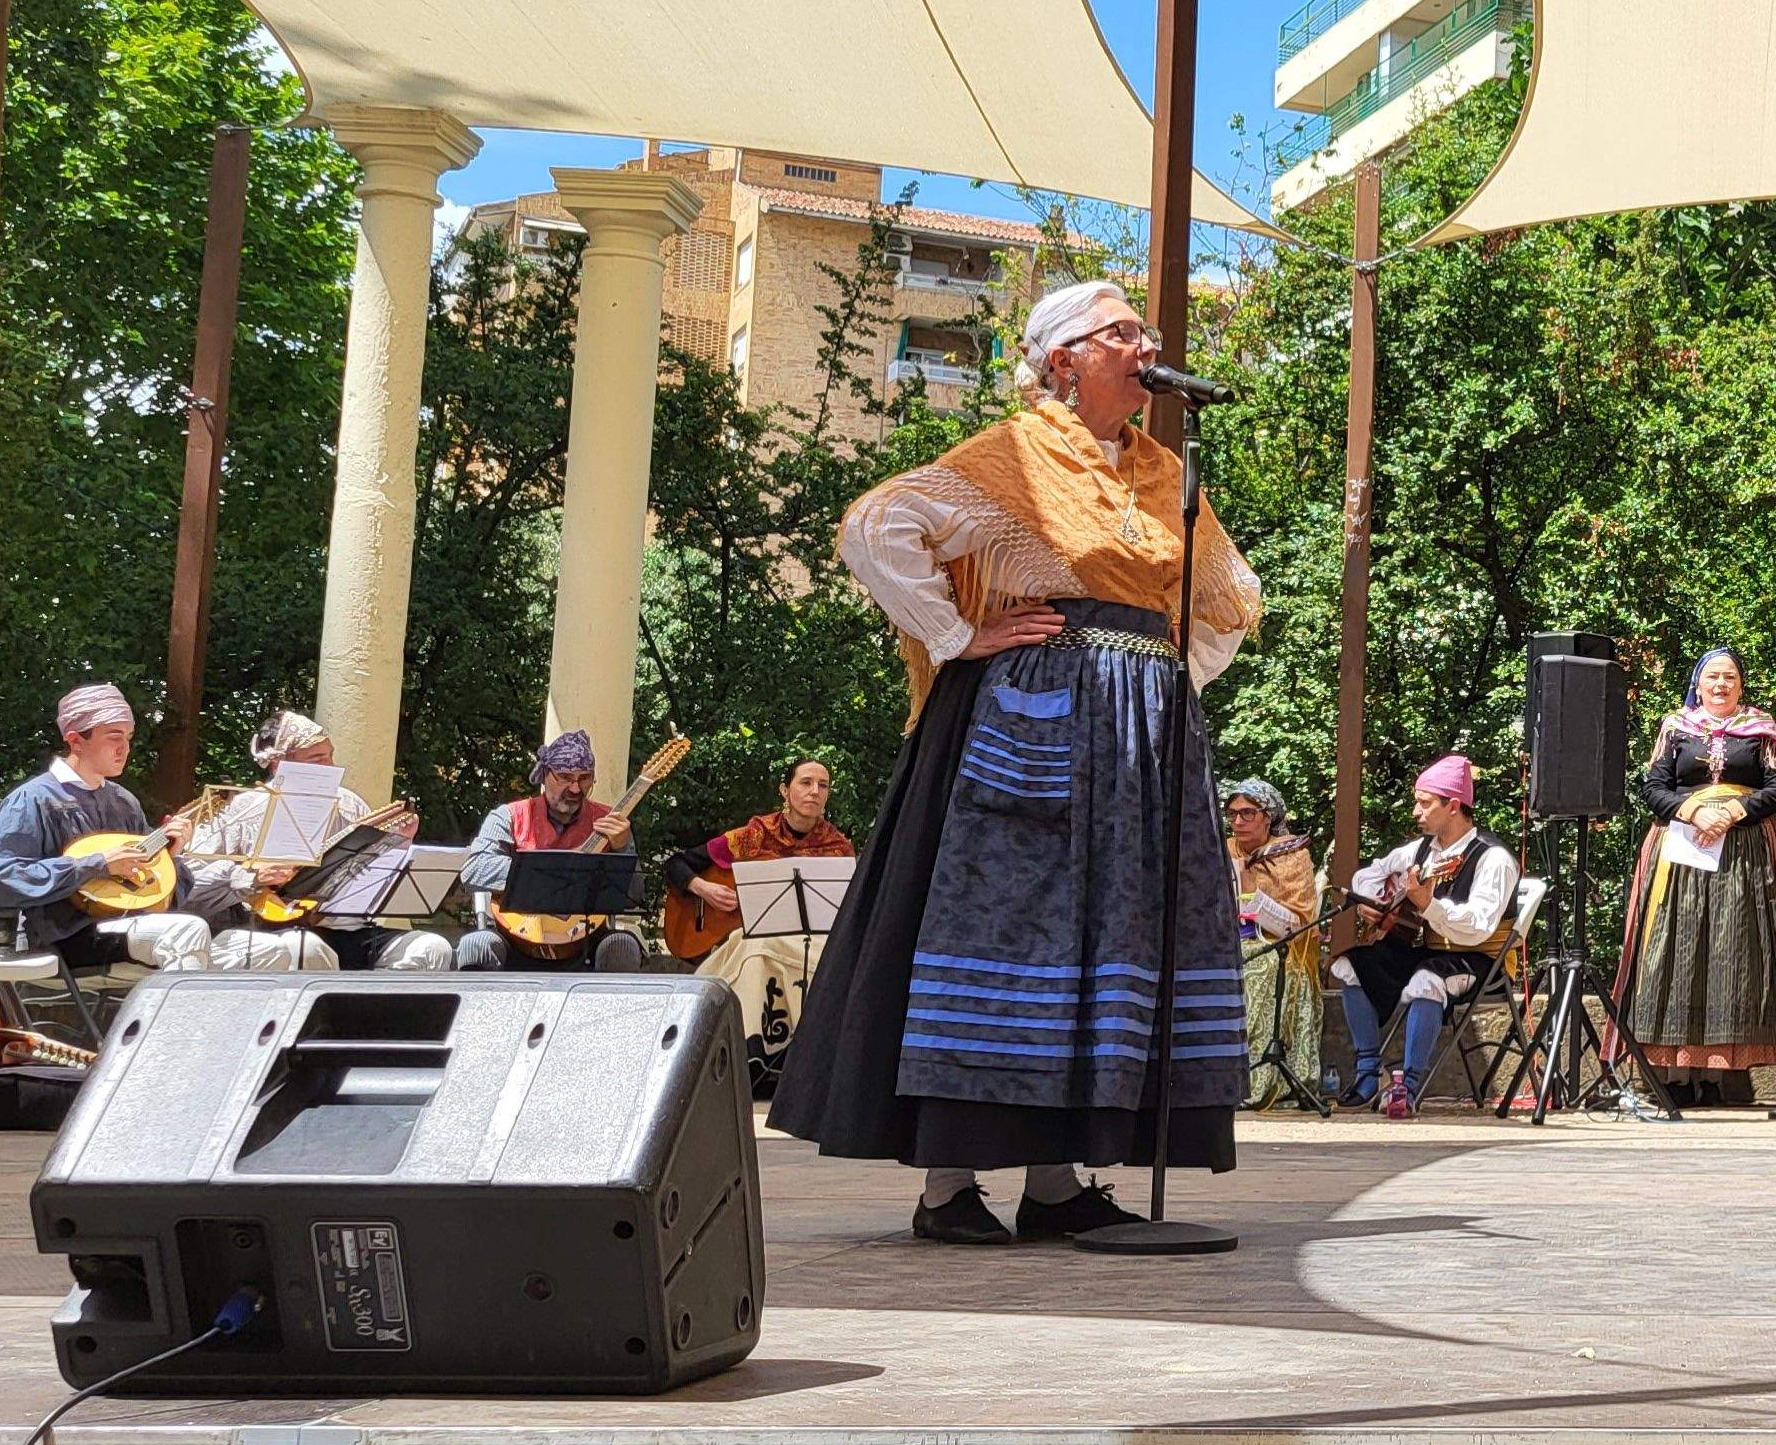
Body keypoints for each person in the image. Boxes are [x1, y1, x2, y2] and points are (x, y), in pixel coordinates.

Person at [772, 279, 1263, 1246]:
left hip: (1131, 739)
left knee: (1101, 939)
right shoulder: (1010, 457)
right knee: (1010, 926)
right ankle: (949, 1183)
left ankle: (1054, 1181)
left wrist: (1164, 689)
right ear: (1064, 360)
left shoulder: (1166, 471)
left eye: (1145, 333)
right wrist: (957, 634)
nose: (1145, 345)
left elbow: (1227, 596)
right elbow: (874, 528)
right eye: (1123, 333)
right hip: (1032, 717)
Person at [0, 685, 330, 973]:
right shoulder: (33, 800)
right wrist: (97, 864)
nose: (124, 748)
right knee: (187, 931)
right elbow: (1, 881)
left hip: (138, 928)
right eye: (113, 737)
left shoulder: (122, 801)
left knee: (293, 949)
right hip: (66, 936)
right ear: (75, 740)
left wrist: (170, 858)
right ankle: (177, 1048)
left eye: (129, 737)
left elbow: (161, 898)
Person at [1616, 648, 1776, 1107]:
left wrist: (1734, 811)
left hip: (1743, 851)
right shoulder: (1677, 727)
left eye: (1730, 677)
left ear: (1741, 685)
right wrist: (1694, 810)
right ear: (1698, 684)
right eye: (1713, 677)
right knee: (1677, 949)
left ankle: (1727, 1078)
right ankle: (1671, 1075)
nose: (1721, 684)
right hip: (1682, 849)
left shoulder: (1761, 729)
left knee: (1735, 953)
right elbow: (1652, 787)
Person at [1335, 756, 1522, 1118]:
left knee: (1426, 979)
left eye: (1425, 803)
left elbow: (1479, 925)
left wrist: (1429, 905)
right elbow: (1368, 875)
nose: (1416, 811)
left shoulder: (1492, 858)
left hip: (1483, 960)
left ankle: (1408, 1087)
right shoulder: (1422, 850)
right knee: (1350, 964)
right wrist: (1374, 903)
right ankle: (1368, 1072)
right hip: (1434, 952)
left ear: (1453, 806)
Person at [194, 709, 438, 970]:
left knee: (432, 949)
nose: (330, 768)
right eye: (317, 759)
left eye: (330, 755)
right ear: (279, 764)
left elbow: (374, 880)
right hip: (269, 930)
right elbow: (189, 882)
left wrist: (399, 844)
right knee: (307, 950)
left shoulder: (348, 803)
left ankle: (383, 1011)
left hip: (348, 929)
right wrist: (248, 876)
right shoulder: (242, 810)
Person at [661, 757, 858, 1067]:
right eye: (805, 783)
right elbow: (675, 864)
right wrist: (704, 888)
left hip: (810, 941)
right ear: (785, 789)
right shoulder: (753, 836)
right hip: (758, 935)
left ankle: (764, 1052)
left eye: (822, 786)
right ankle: (761, 1052)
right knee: (755, 944)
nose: (814, 791)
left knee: (758, 946)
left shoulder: (839, 848)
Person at [455, 730, 652, 973]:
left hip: (585, 940)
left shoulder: (611, 822)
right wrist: (548, 872)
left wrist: (623, 847)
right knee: (477, 943)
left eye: (584, 778)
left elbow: (635, 895)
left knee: (621, 944)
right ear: (545, 775)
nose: (576, 788)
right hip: (514, 939)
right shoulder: (509, 816)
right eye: (565, 777)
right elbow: (474, 871)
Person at [1223, 778, 1328, 1109]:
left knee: (1262, 966)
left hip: (1277, 945)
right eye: (1232, 814)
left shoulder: (1291, 855)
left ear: (1267, 817)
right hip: (1224, 941)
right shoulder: (1221, 849)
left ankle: (1257, 1080)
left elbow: (1301, 918)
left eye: (1247, 813)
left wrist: (1256, 896)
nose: (1238, 821)